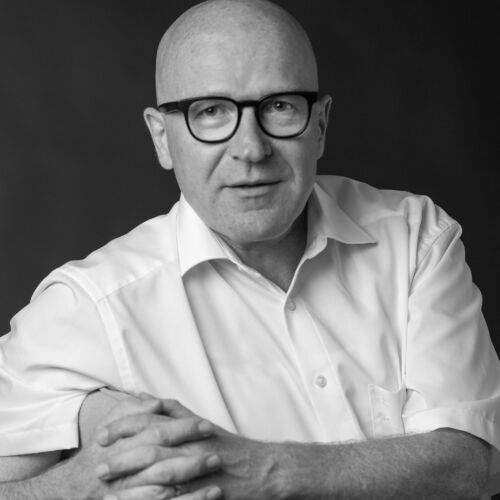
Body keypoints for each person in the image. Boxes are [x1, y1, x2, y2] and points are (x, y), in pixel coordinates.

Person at [1, 0, 499, 498]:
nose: (251, 149)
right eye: (211, 112)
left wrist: (260, 470)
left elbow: (468, 466)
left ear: (320, 124)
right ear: (162, 138)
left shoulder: (415, 239)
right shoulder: (89, 307)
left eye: (279, 106)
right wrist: (83, 484)